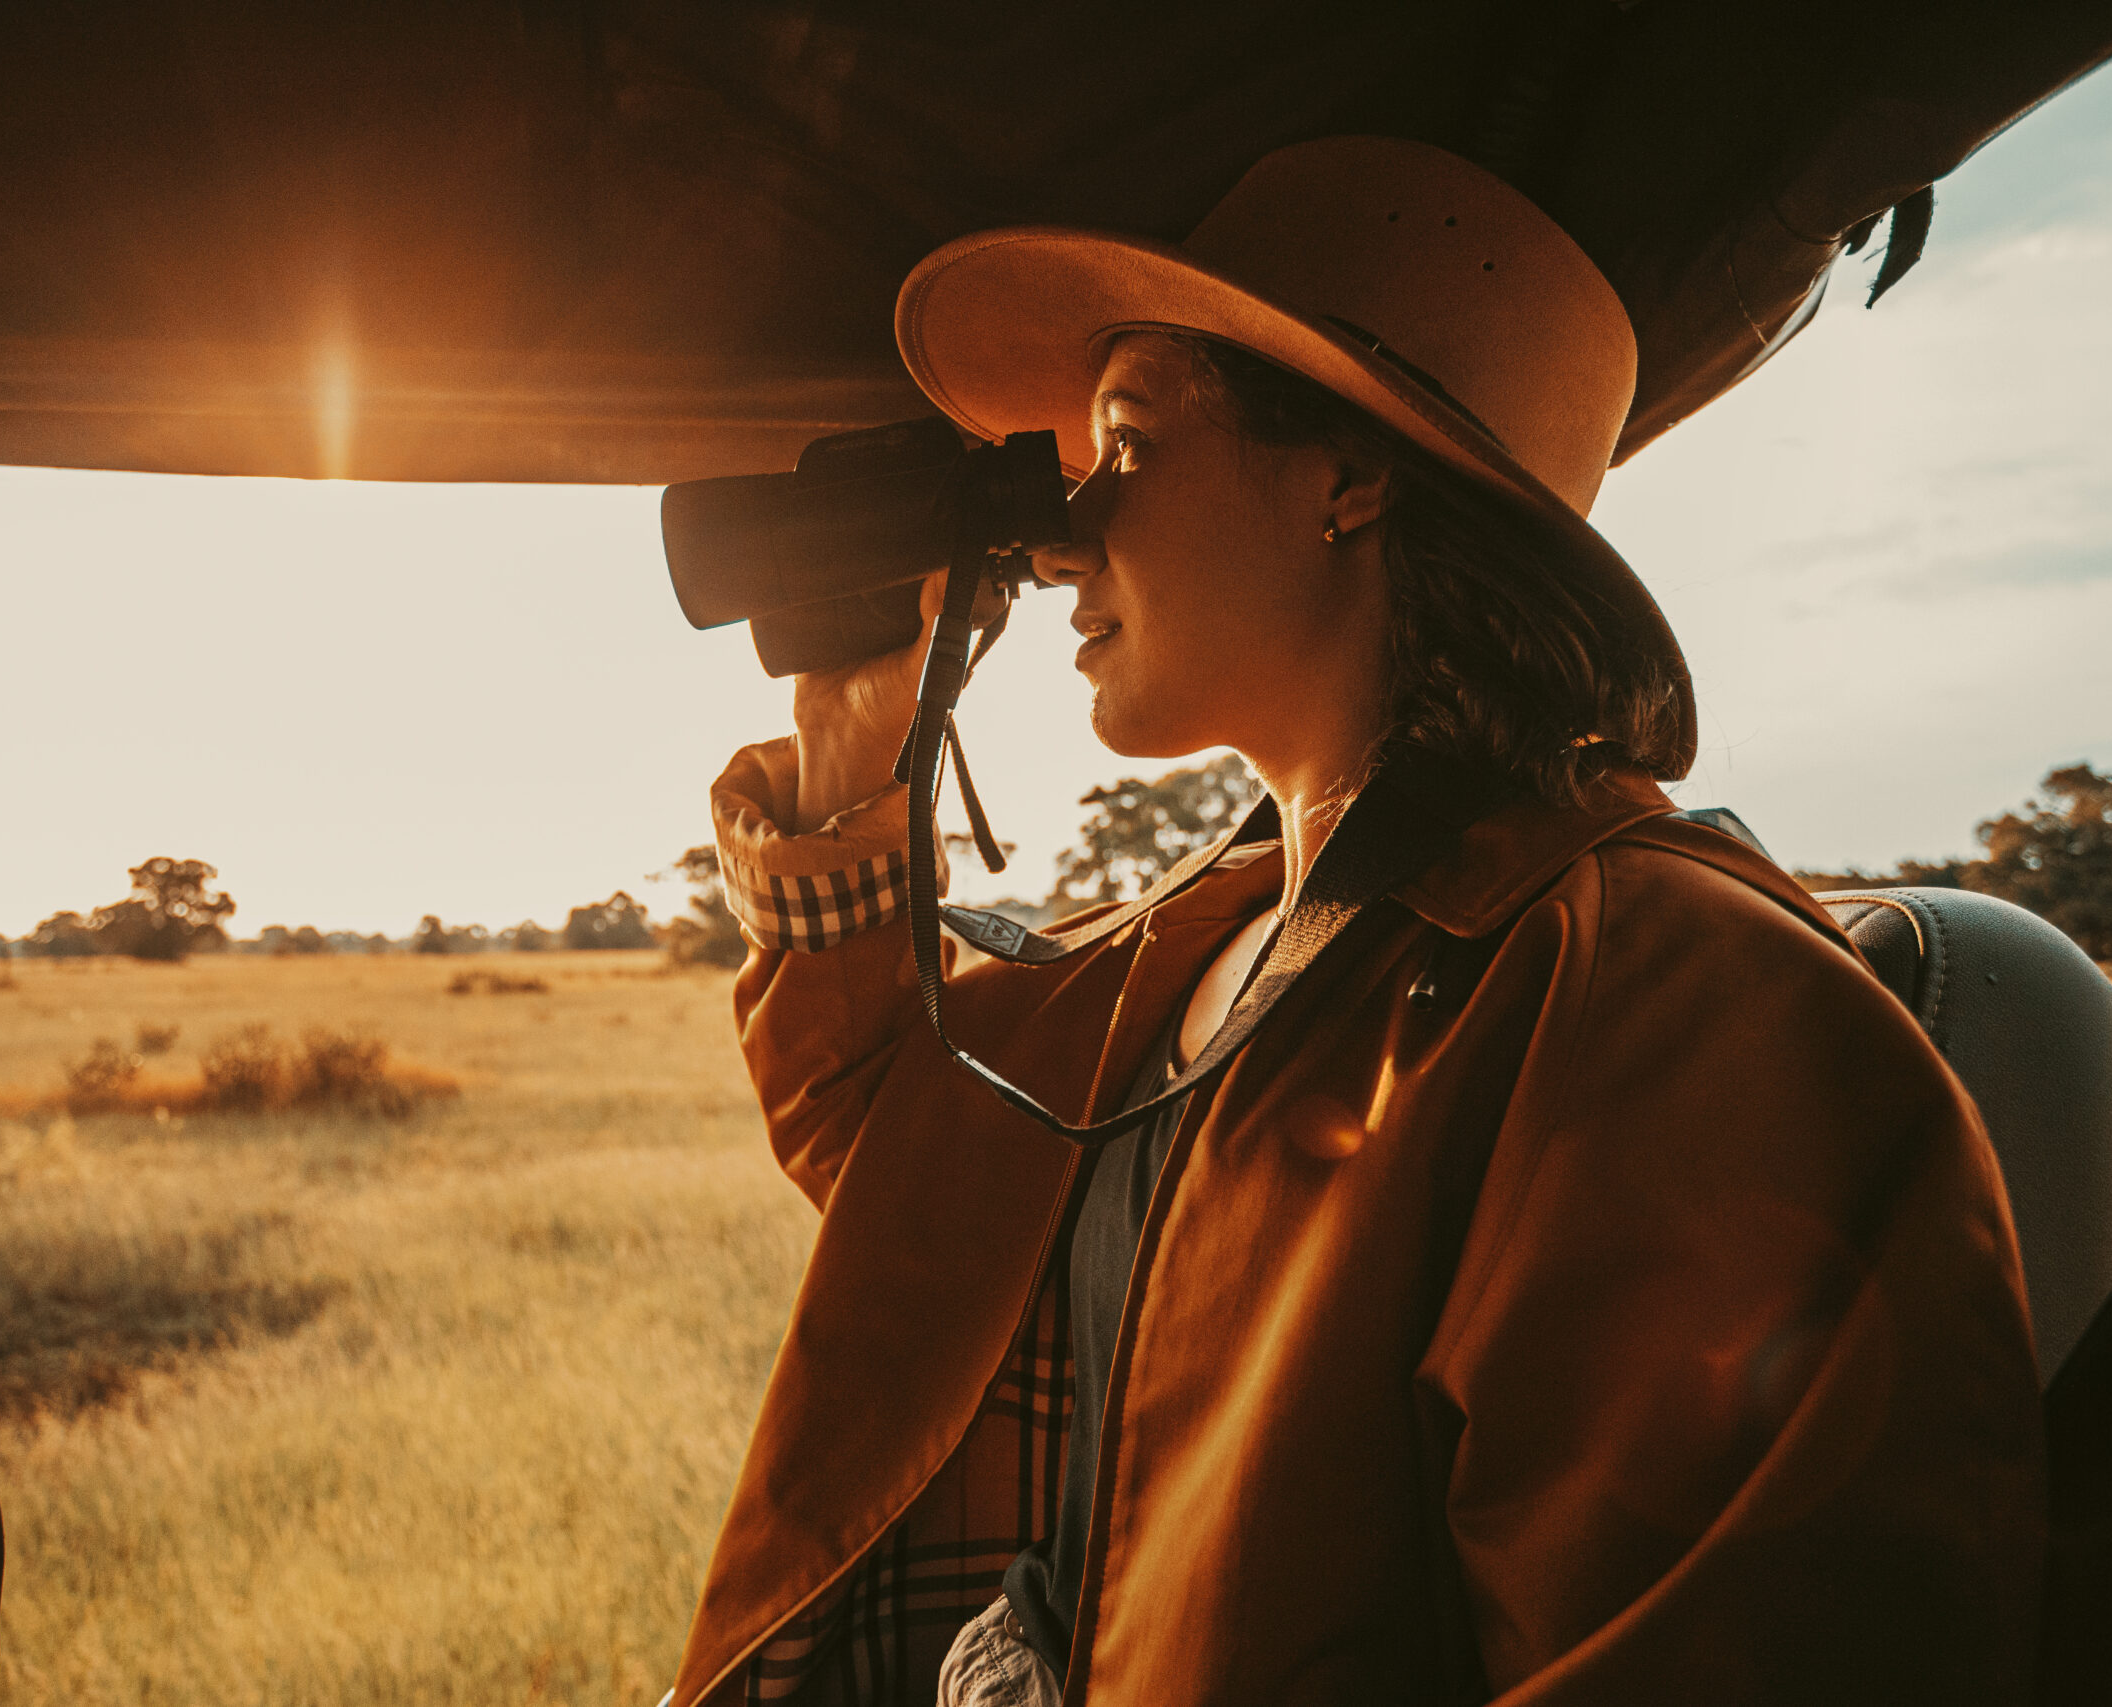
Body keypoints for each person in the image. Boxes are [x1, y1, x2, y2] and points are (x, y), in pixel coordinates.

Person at [667, 138, 2043, 1707]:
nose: (1055, 542)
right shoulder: (1218, 929)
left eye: (1127, 445)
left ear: (1351, 477)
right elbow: (898, 1164)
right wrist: (852, 731)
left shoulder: (1679, 1009)